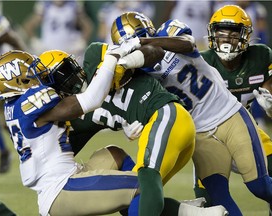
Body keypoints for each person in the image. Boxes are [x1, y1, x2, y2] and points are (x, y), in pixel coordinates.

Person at [111, 11, 272, 216]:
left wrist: (143, 41)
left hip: (229, 116)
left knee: (260, 186)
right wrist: (131, 125)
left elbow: (188, 43)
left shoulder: (169, 32)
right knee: (218, 198)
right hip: (200, 135)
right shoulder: (138, 75)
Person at [39, 47, 228, 216]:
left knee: (146, 180)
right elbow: (58, 162)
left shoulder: (95, 56)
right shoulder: (74, 119)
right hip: (162, 129)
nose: (71, 79)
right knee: (137, 203)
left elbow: (155, 52)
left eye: (69, 70)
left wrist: (126, 60)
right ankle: (195, 212)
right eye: (62, 79)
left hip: (165, 114)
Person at [0, 37, 141, 216]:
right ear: (18, 81)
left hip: (64, 180)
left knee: (115, 154)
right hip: (62, 189)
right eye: (30, 72)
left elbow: (79, 114)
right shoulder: (29, 103)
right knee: (144, 186)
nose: (38, 73)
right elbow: (91, 100)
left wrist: (122, 120)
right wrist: (111, 57)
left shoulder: (16, 107)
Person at [194, 3, 272, 212]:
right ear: (212, 35)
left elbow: (269, 91)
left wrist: (270, 106)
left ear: (245, 36)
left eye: (233, 33)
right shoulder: (202, 62)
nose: (227, 39)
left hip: (247, 130)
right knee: (209, 201)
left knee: (267, 180)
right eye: (221, 33)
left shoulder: (261, 56)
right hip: (210, 135)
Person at [0, 0, 26, 173]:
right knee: (4, 119)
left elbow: (15, 41)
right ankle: (13, 146)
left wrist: (24, 62)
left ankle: (4, 151)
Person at [22, 0, 93, 59]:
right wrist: (35, 41)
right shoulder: (45, 5)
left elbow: (88, 26)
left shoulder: (73, 4)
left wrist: (82, 41)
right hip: (49, 50)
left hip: (70, 51)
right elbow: (29, 25)